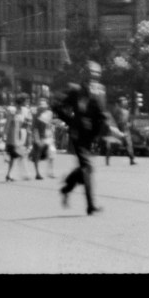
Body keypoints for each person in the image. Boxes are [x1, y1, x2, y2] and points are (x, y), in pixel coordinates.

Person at [54, 81, 105, 215]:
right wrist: (71, 123)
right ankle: (90, 206)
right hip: (77, 138)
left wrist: (95, 135)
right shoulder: (74, 96)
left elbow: (101, 119)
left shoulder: (94, 103)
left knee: (84, 171)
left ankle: (67, 187)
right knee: (87, 169)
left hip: (88, 139)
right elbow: (58, 107)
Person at [4, 95, 32, 182]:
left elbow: (26, 124)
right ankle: (24, 174)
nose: (26, 103)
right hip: (13, 137)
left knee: (16, 156)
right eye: (25, 101)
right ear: (21, 102)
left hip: (20, 137)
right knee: (19, 155)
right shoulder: (12, 112)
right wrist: (4, 135)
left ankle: (10, 175)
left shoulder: (24, 111)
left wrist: (28, 132)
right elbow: (8, 124)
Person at [105, 96, 136, 166]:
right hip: (117, 129)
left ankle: (132, 160)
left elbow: (129, 121)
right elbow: (113, 120)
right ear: (119, 103)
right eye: (123, 101)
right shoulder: (116, 110)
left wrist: (129, 124)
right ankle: (107, 159)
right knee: (112, 145)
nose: (125, 102)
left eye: (125, 101)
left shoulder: (127, 112)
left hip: (125, 129)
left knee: (129, 144)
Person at [30, 97, 57, 179]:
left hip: (48, 137)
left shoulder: (49, 113)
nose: (42, 106)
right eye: (40, 105)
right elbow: (34, 127)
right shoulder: (35, 115)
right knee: (37, 155)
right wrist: (36, 138)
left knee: (52, 152)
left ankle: (50, 172)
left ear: (46, 105)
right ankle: (37, 173)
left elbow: (50, 124)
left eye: (43, 105)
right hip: (39, 137)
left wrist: (52, 134)